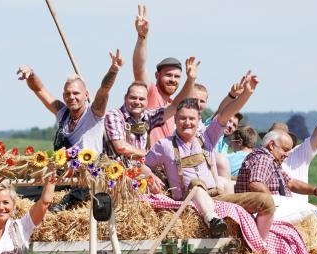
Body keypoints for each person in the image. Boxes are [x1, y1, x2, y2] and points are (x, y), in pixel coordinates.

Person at [138, 71, 276, 240]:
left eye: (191, 119)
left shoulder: (207, 136)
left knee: (266, 202)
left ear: (198, 121)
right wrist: (150, 176)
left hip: (217, 198)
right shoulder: (164, 145)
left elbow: (225, 114)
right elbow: (141, 164)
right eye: (182, 119)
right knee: (196, 185)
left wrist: (247, 93)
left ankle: (259, 247)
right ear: (175, 120)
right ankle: (212, 220)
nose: (187, 123)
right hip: (187, 203)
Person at [16, 49, 123, 210]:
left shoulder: (95, 113)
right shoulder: (62, 112)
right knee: (24, 194)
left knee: (89, 178)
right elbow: (39, 89)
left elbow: (104, 90)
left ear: (86, 94)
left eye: (76, 93)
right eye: (68, 94)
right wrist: (31, 74)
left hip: (87, 174)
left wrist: (113, 69)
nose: (71, 97)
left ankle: (67, 202)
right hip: (64, 172)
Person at [104, 57, 200, 161]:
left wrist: (191, 80)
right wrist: (150, 154)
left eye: (141, 99)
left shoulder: (148, 116)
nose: (137, 102)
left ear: (146, 101)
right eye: (133, 98)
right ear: (125, 98)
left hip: (146, 168)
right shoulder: (115, 115)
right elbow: (121, 148)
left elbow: (176, 105)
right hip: (120, 171)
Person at [132, 4, 183, 147]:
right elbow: (139, 68)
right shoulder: (151, 93)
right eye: (168, 75)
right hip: (149, 161)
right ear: (157, 75)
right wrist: (142, 37)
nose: (173, 80)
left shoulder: (175, 105)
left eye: (177, 76)